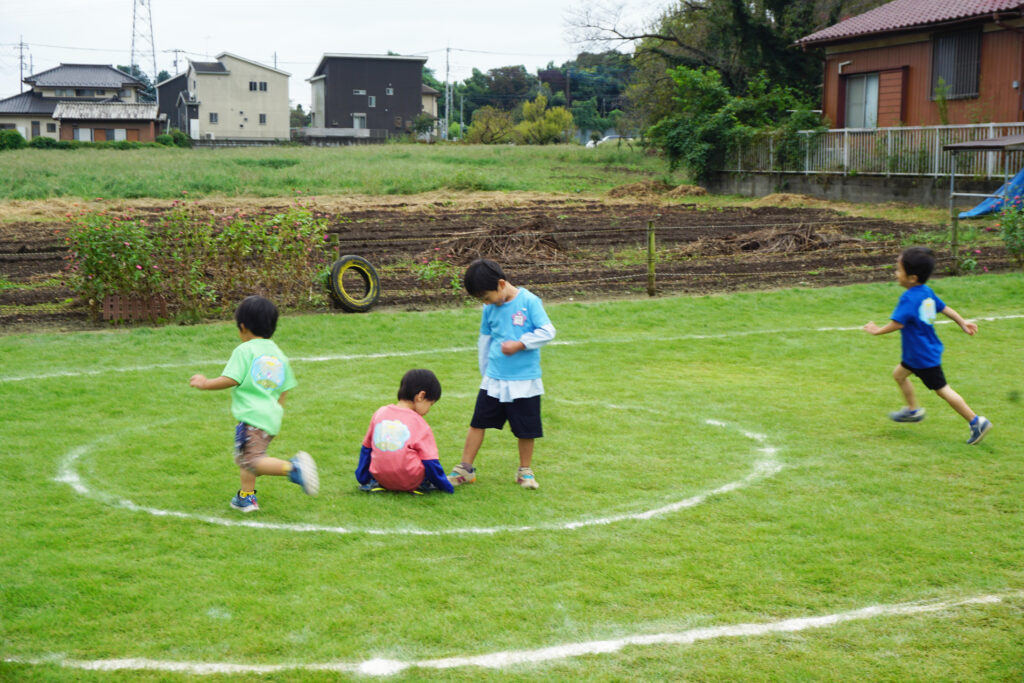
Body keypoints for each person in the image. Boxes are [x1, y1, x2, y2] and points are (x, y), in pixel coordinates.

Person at [189, 295, 318, 512]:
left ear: (243, 327)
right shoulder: (279, 354)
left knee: (252, 460)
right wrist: (276, 410)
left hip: (252, 417)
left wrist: (205, 383)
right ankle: (246, 497)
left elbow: (231, 378)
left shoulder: (245, 350)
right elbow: (285, 387)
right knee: (245, 456)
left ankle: (293, 468)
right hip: (271, 418)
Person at [863, 246, 992, 445]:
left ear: (912, 278)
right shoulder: (926, 291)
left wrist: (876, 330)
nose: (895, 274)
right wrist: (962, 322)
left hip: (922, 357)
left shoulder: (908, 297)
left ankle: (976, 421)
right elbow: (944, 308)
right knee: (899, 374)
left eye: (898, 270)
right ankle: (913, 411)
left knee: (943, 390)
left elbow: (898, 322)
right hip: (920, 353)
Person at [448, 259, 556, 489]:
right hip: (494, 380)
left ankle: (525, 471)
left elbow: (548, 331)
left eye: (487, 297)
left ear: (501, 283)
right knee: (478, 423)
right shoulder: (489, 309)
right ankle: (465, 468)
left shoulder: (529, 302)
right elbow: (485, 341)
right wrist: (486, 373)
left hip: (525, 381)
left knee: (526, 429)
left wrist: (521, 343)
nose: (486, 303)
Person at [356, 369, 453, 494]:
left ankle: (378, 484)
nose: (428, 410)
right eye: (430, 404)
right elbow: (430, 462)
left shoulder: (380, 413)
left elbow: (366, 449)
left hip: (381, 477)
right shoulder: (419, 423)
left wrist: (363, 478)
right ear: (421, 396)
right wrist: (445, 486)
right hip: (411, 480)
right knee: (423, 466)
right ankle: (420, 485)